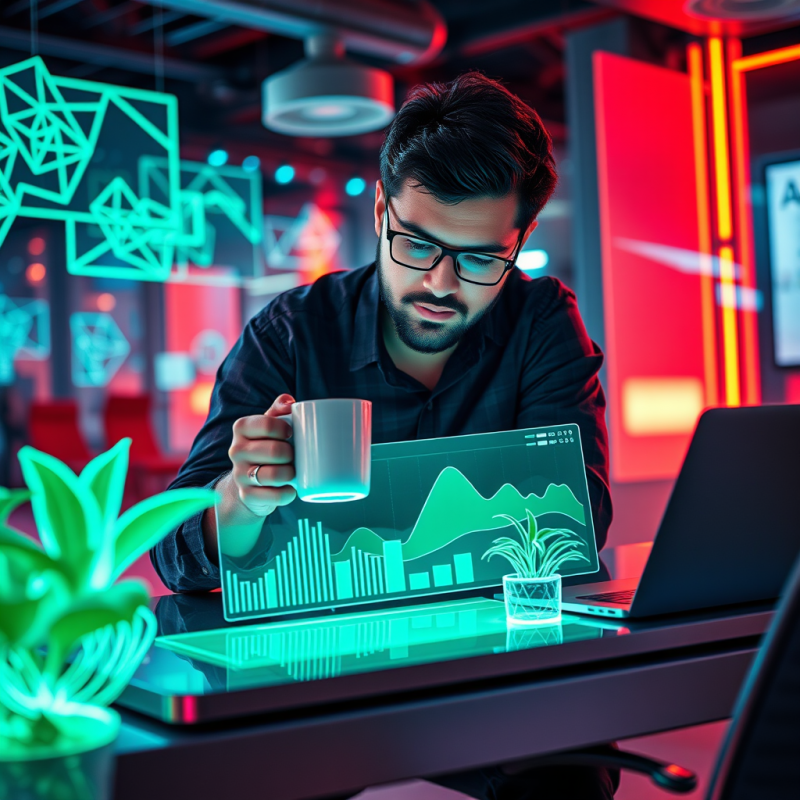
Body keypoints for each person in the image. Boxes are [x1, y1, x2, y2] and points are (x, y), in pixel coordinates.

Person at [152, 72, 617, 800]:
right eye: (416, 244)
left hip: (495, 670)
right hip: (320, 675)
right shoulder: (292, 332)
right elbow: (174, 550)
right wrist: (239, 500)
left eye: (478, 258)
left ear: (519, 240)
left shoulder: (541, 320)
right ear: (379, 210)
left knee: (568, 777)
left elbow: (581, 511)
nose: (438, 283)